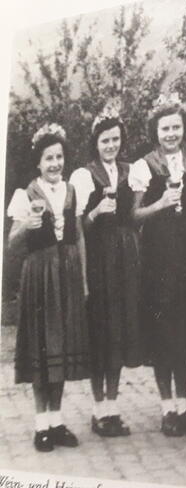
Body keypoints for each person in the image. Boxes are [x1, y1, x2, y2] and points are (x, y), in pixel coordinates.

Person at [129, 92, 186, 437]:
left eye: (176, 127)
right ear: (156, 131)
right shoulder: (145, 166)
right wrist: (161, 203)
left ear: (185, 128)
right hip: (159, 258)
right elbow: (134, 214)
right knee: (163, 332)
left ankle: (183, 406)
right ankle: (167, 408)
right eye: (165, 128)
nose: (171, 134)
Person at [7, 123, 89, 452]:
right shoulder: (25, 195)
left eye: (59, 157)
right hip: (39, 276)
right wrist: (27, 225)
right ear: (38, 163)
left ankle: (56, 420)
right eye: (48, 158)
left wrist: (83, 279)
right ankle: (41, 425)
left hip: (66, 274)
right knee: (42, 349)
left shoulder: (71, 191)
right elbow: (11, 244)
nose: (55, 163)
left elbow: (79, 235)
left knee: (61, 349)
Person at [70, 102, 143, 437]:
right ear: (95, 143)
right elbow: (79, 227)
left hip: (125, 257)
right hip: (99, 258)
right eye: (105, 140)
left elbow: (135, 217)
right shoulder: (84, 175)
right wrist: (96, 211)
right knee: (101, 331)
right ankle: (98, 409)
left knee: (120, 330)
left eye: (115, 139)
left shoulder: (132, 171)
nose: (111, 145)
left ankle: (113, 407)